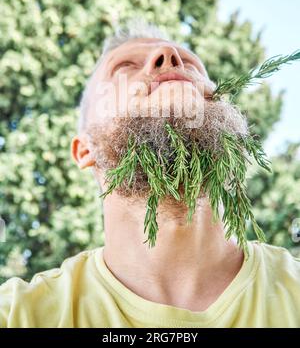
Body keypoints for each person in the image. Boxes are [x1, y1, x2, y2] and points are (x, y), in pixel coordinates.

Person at [1, 19, 299, 328]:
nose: (170, 55)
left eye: (191, 64)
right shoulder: (19, 315)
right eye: (125, 67)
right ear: (84, 149)